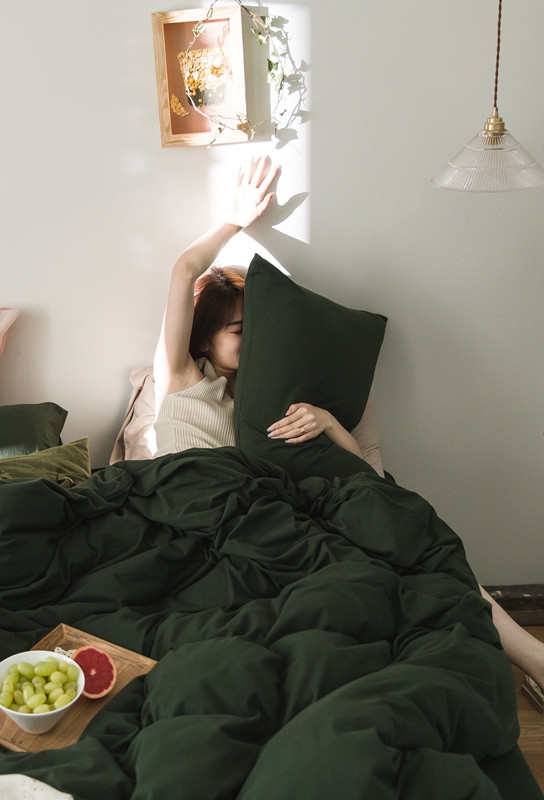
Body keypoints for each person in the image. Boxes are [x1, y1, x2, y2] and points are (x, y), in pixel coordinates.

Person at [151, 153, 544, 703]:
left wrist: (331, 423)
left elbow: (363, 479)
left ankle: (533, 657)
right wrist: (234, 222)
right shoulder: (180, 378)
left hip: (285, 520)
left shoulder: (280, 397)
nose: (254, 339)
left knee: (413, 539)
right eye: (239, 330)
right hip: (206, 525)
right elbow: (182, 271)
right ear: (205, 336)